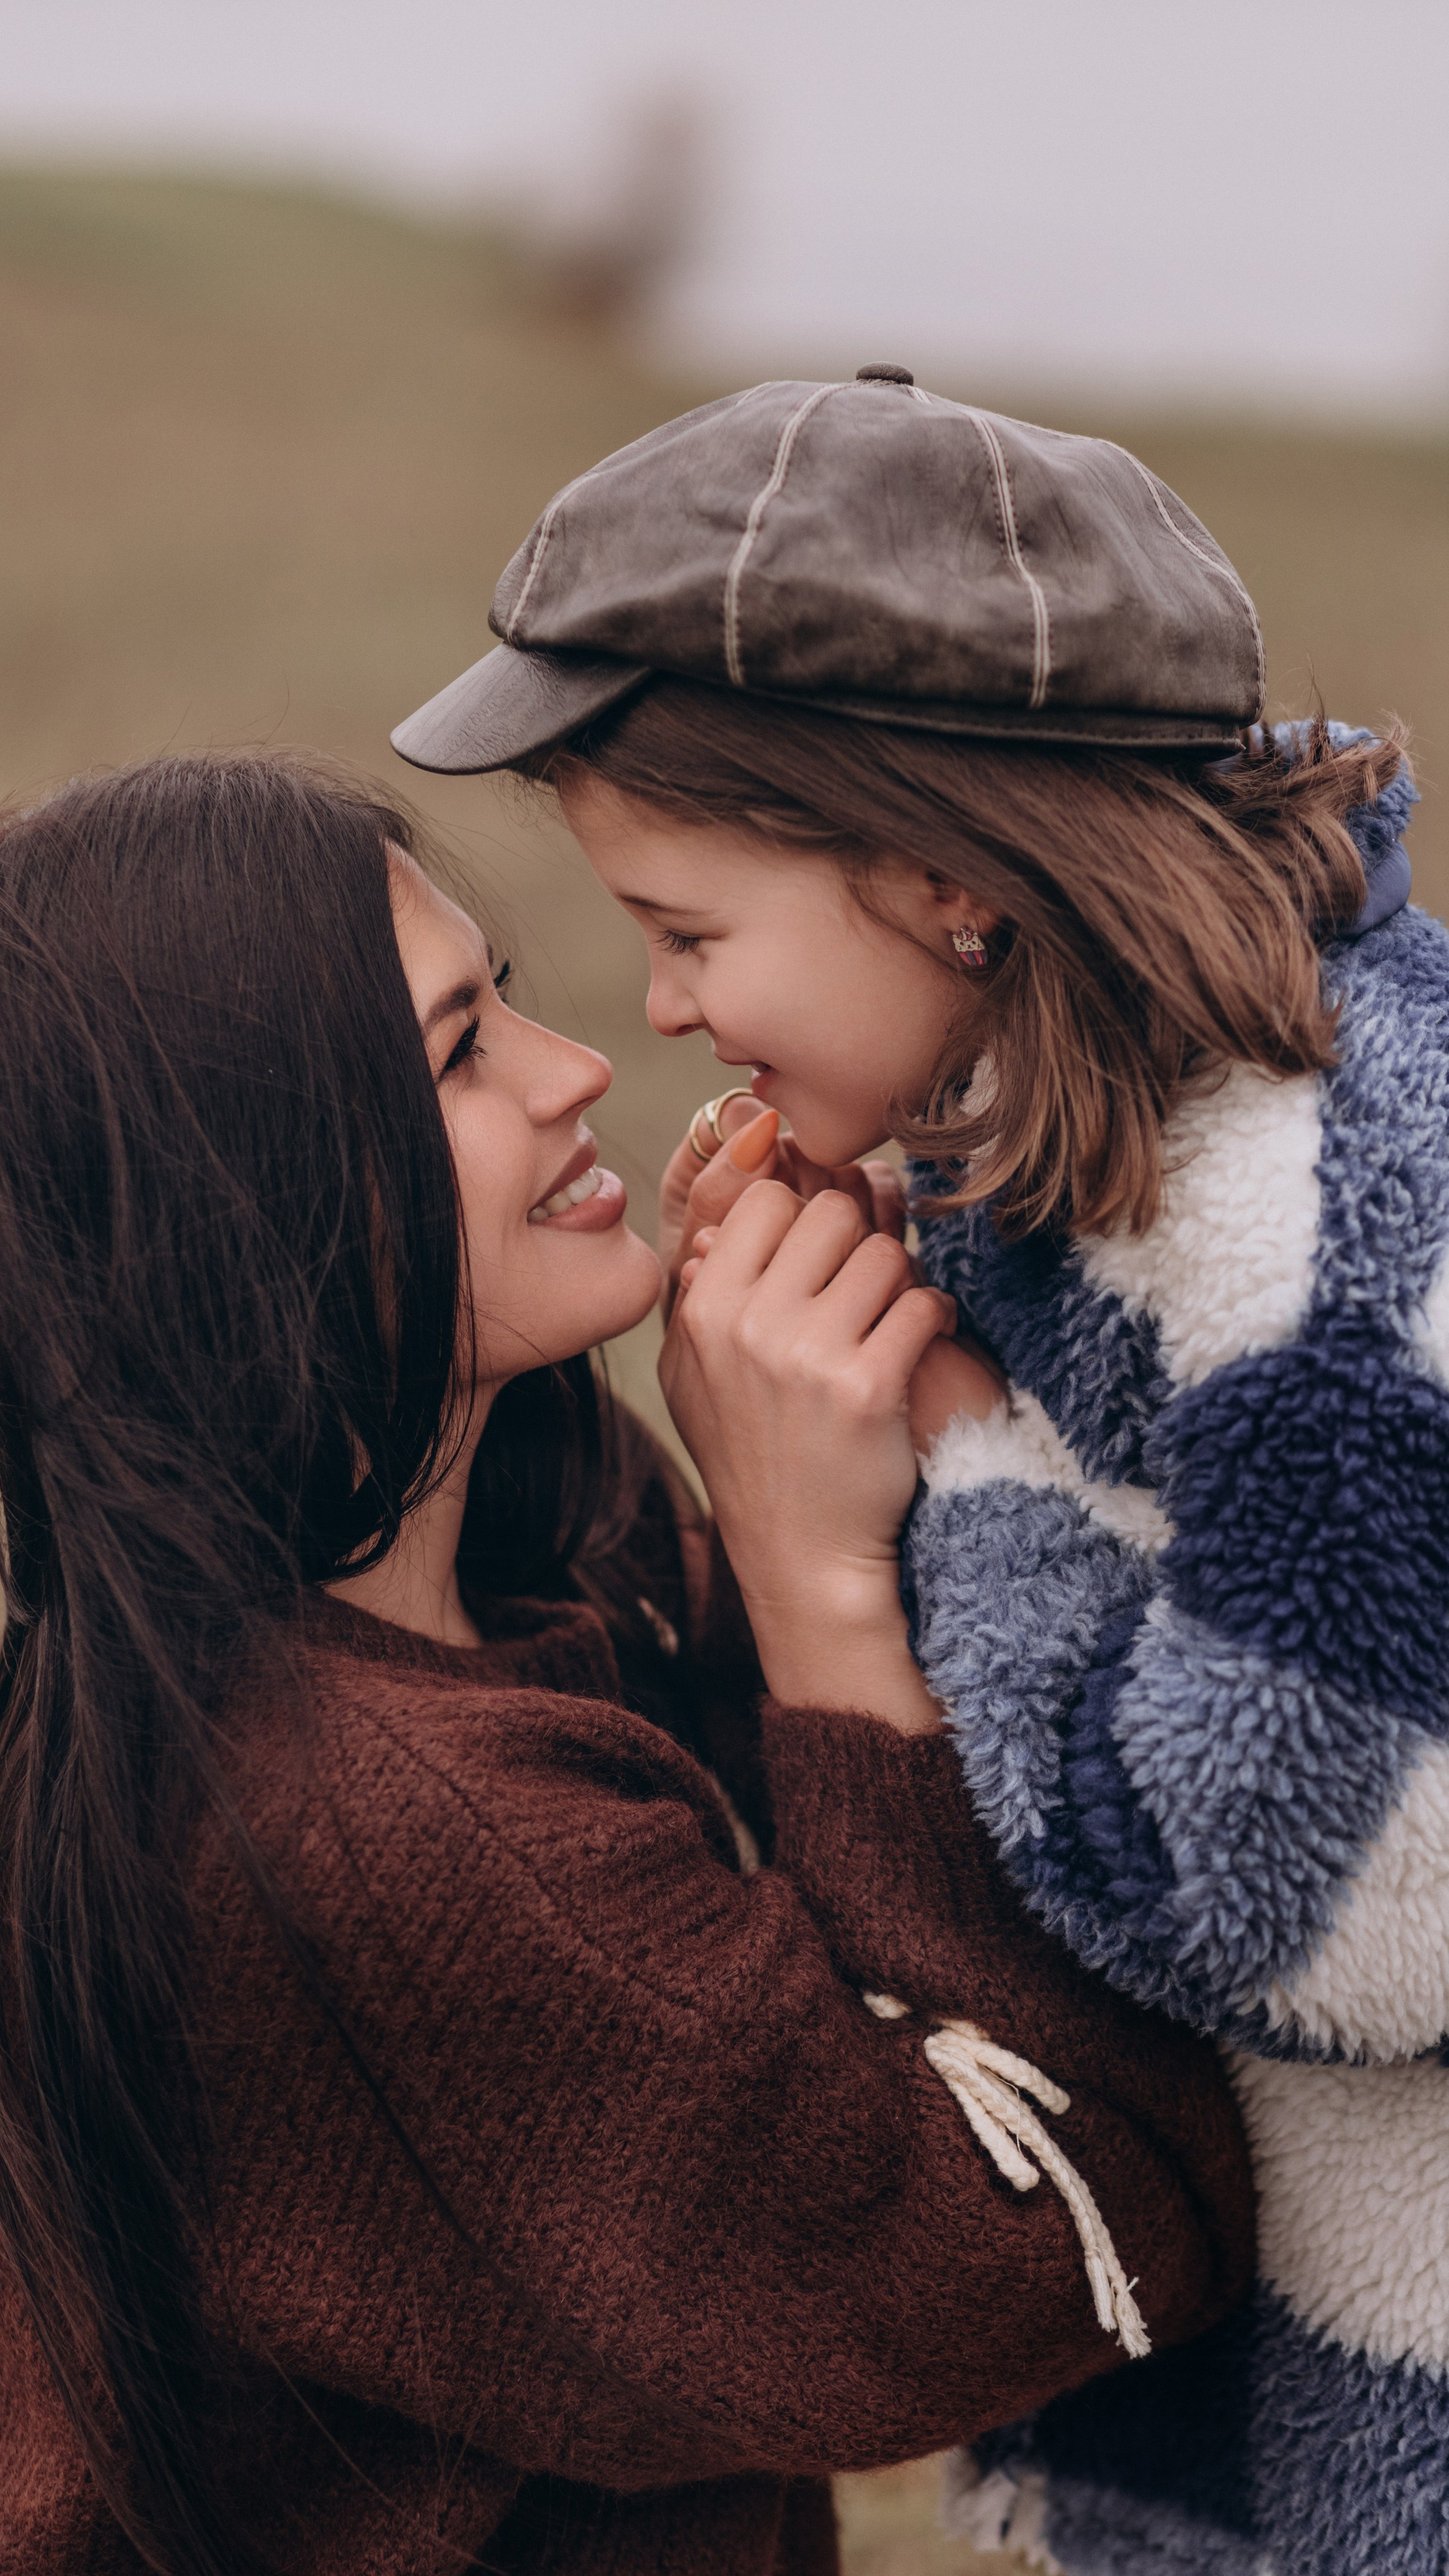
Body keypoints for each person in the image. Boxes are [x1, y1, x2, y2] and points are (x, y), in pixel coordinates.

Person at [0, 751, 1248, 2576]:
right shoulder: (373, 1833)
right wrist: (814, 1585)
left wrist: (922, 1441)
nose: (576, 1073)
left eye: (511, 999)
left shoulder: (487, 1576)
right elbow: (1038, 2250)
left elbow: (885, 1836)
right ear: (256, 1200)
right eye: (457, 1054)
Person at [392, 371, 1449, 2574]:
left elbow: (1337, 1903)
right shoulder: (1079, 1159)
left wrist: (942, 1477)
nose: (663, 1010)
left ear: (945, 879)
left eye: (688, 928)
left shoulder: (1314, 1231)